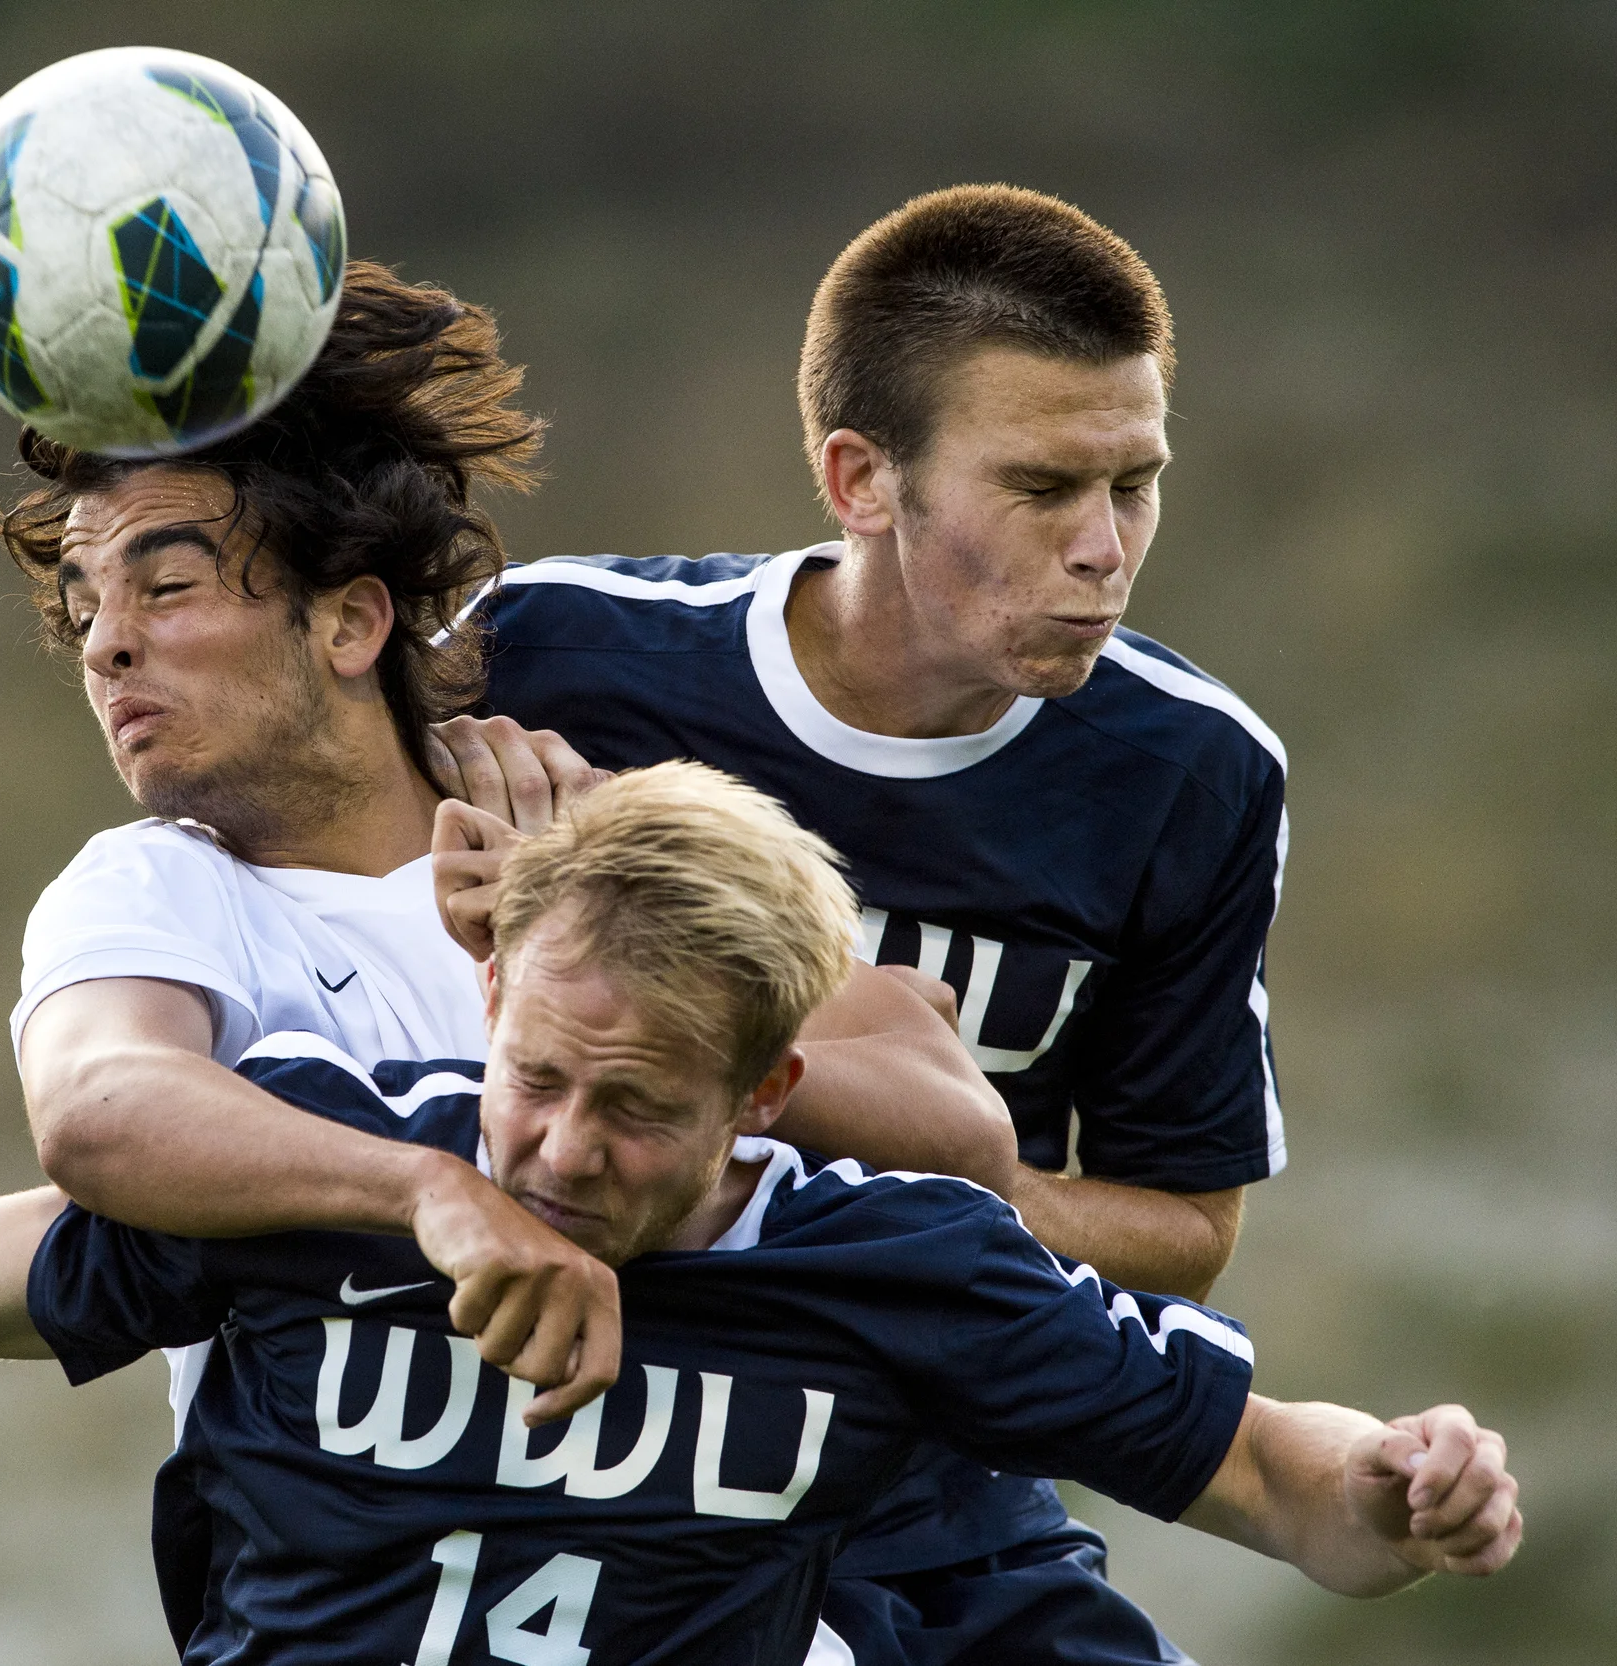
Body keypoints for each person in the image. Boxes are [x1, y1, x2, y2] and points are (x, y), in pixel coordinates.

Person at [0, 765, 1521, 1666]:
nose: (562, 1151)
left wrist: (1403, 1487)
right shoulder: (315, 1172)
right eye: (534, 1074)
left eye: (637, 1115)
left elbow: (1262, 1483)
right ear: (482, 987)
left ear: (768, 1095)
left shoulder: (882, 1266)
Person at [448, 185, 1290, 1664]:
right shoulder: (552, 651)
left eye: (1137, 482)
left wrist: (918, 1209)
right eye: (1042, 488)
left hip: (927, 1468)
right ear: (860, 479)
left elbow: (1185, 1236)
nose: (1106, 547)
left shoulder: (1193, 773)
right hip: (560, 1418)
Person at [0, 258, 1014, 1447]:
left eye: (163, 587)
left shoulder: (585, 839)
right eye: (83, 608)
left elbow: (965, 1134)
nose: (106, 645)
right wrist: (436, 1190)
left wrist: (645, 1015)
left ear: (350, 621)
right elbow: (99, 1110)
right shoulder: (152, 889)